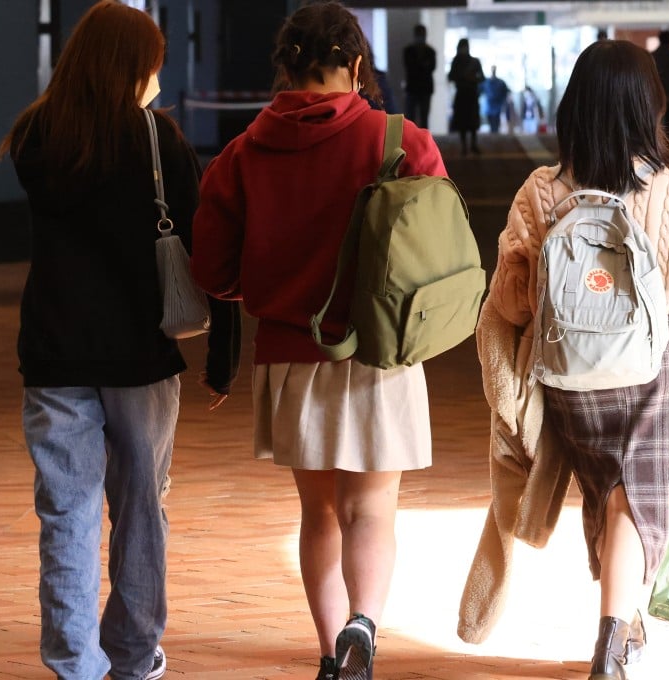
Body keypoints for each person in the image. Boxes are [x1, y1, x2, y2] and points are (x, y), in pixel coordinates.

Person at [190, 3, 447, 679]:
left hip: (290, 357)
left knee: (320, 513)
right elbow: (441, 255)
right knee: (372, 509)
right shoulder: (400, 141)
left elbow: (212, 271)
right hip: (379, 353)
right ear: (357, 66)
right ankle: (366, 620)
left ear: (285, 68)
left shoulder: (242, 153)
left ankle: (334, 653)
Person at [0, 2, 239, 678]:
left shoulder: (38, 134)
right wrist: (221, 357)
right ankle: (133, 653)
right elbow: (207, 254)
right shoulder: (157, 140)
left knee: (65, 513)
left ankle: (75, 661)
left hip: (54, 354)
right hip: (140, 358)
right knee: (141, 511)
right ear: (138, 66)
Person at [483, 40, 669, 680]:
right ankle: (611, 645)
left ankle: (626, 628)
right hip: (655, 370)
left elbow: (511, 301)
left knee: (606, 493)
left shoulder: (543, 190)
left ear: (576, 107)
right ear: (649, 105)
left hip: (572, 371)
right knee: (633, 496)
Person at [448, 38, 484, 155]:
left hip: (471, 93)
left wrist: (473, 78)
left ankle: (472, 144)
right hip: (463, 93)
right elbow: (451, 76)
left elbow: (482, 77)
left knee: (472, 121)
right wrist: (462, 77)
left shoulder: (474, 61)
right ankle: (465, 146)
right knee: (463, 121)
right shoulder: (456, 61)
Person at [402, 24, 435, 128]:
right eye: (419, 34)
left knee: (424, 116)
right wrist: (423, 65)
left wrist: (419, 65)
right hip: (412, 87)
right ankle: (411, 139)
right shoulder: (409, 51)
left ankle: (422, 140)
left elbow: (432, 67)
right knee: (410, 117)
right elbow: (409, 66)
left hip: (425, 88)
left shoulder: (430, 51)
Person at [482, 66, 511, 134]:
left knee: (495, 124)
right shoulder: (487, 82)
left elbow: (505, 93)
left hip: (497, 106)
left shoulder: (500, 82)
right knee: (492, 124)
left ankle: (495, 134)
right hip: (489, 106)